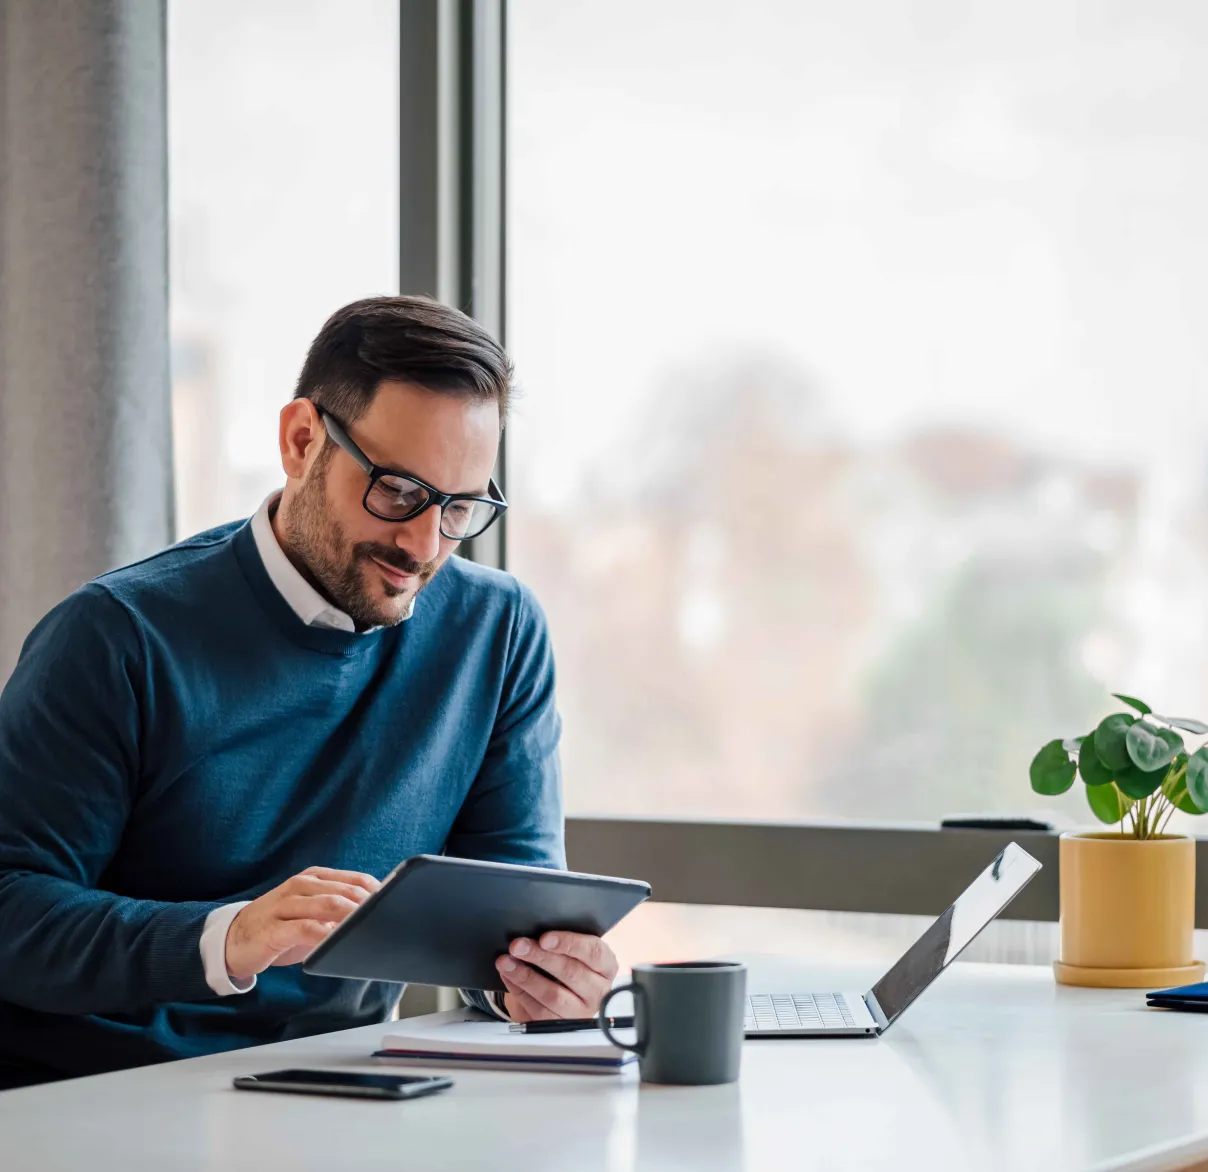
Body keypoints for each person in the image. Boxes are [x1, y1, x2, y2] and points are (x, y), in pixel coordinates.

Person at [0, 296, 618, 1089]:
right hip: (97, 1095)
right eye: (397, 491)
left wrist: (543, 978)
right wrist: (228, 937)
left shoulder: (497, 634)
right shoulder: (116, 636)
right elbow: (11, 908)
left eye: (459, 507)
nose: (425, 546)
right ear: (301, 442)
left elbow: (508, 920)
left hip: (339, 1088)